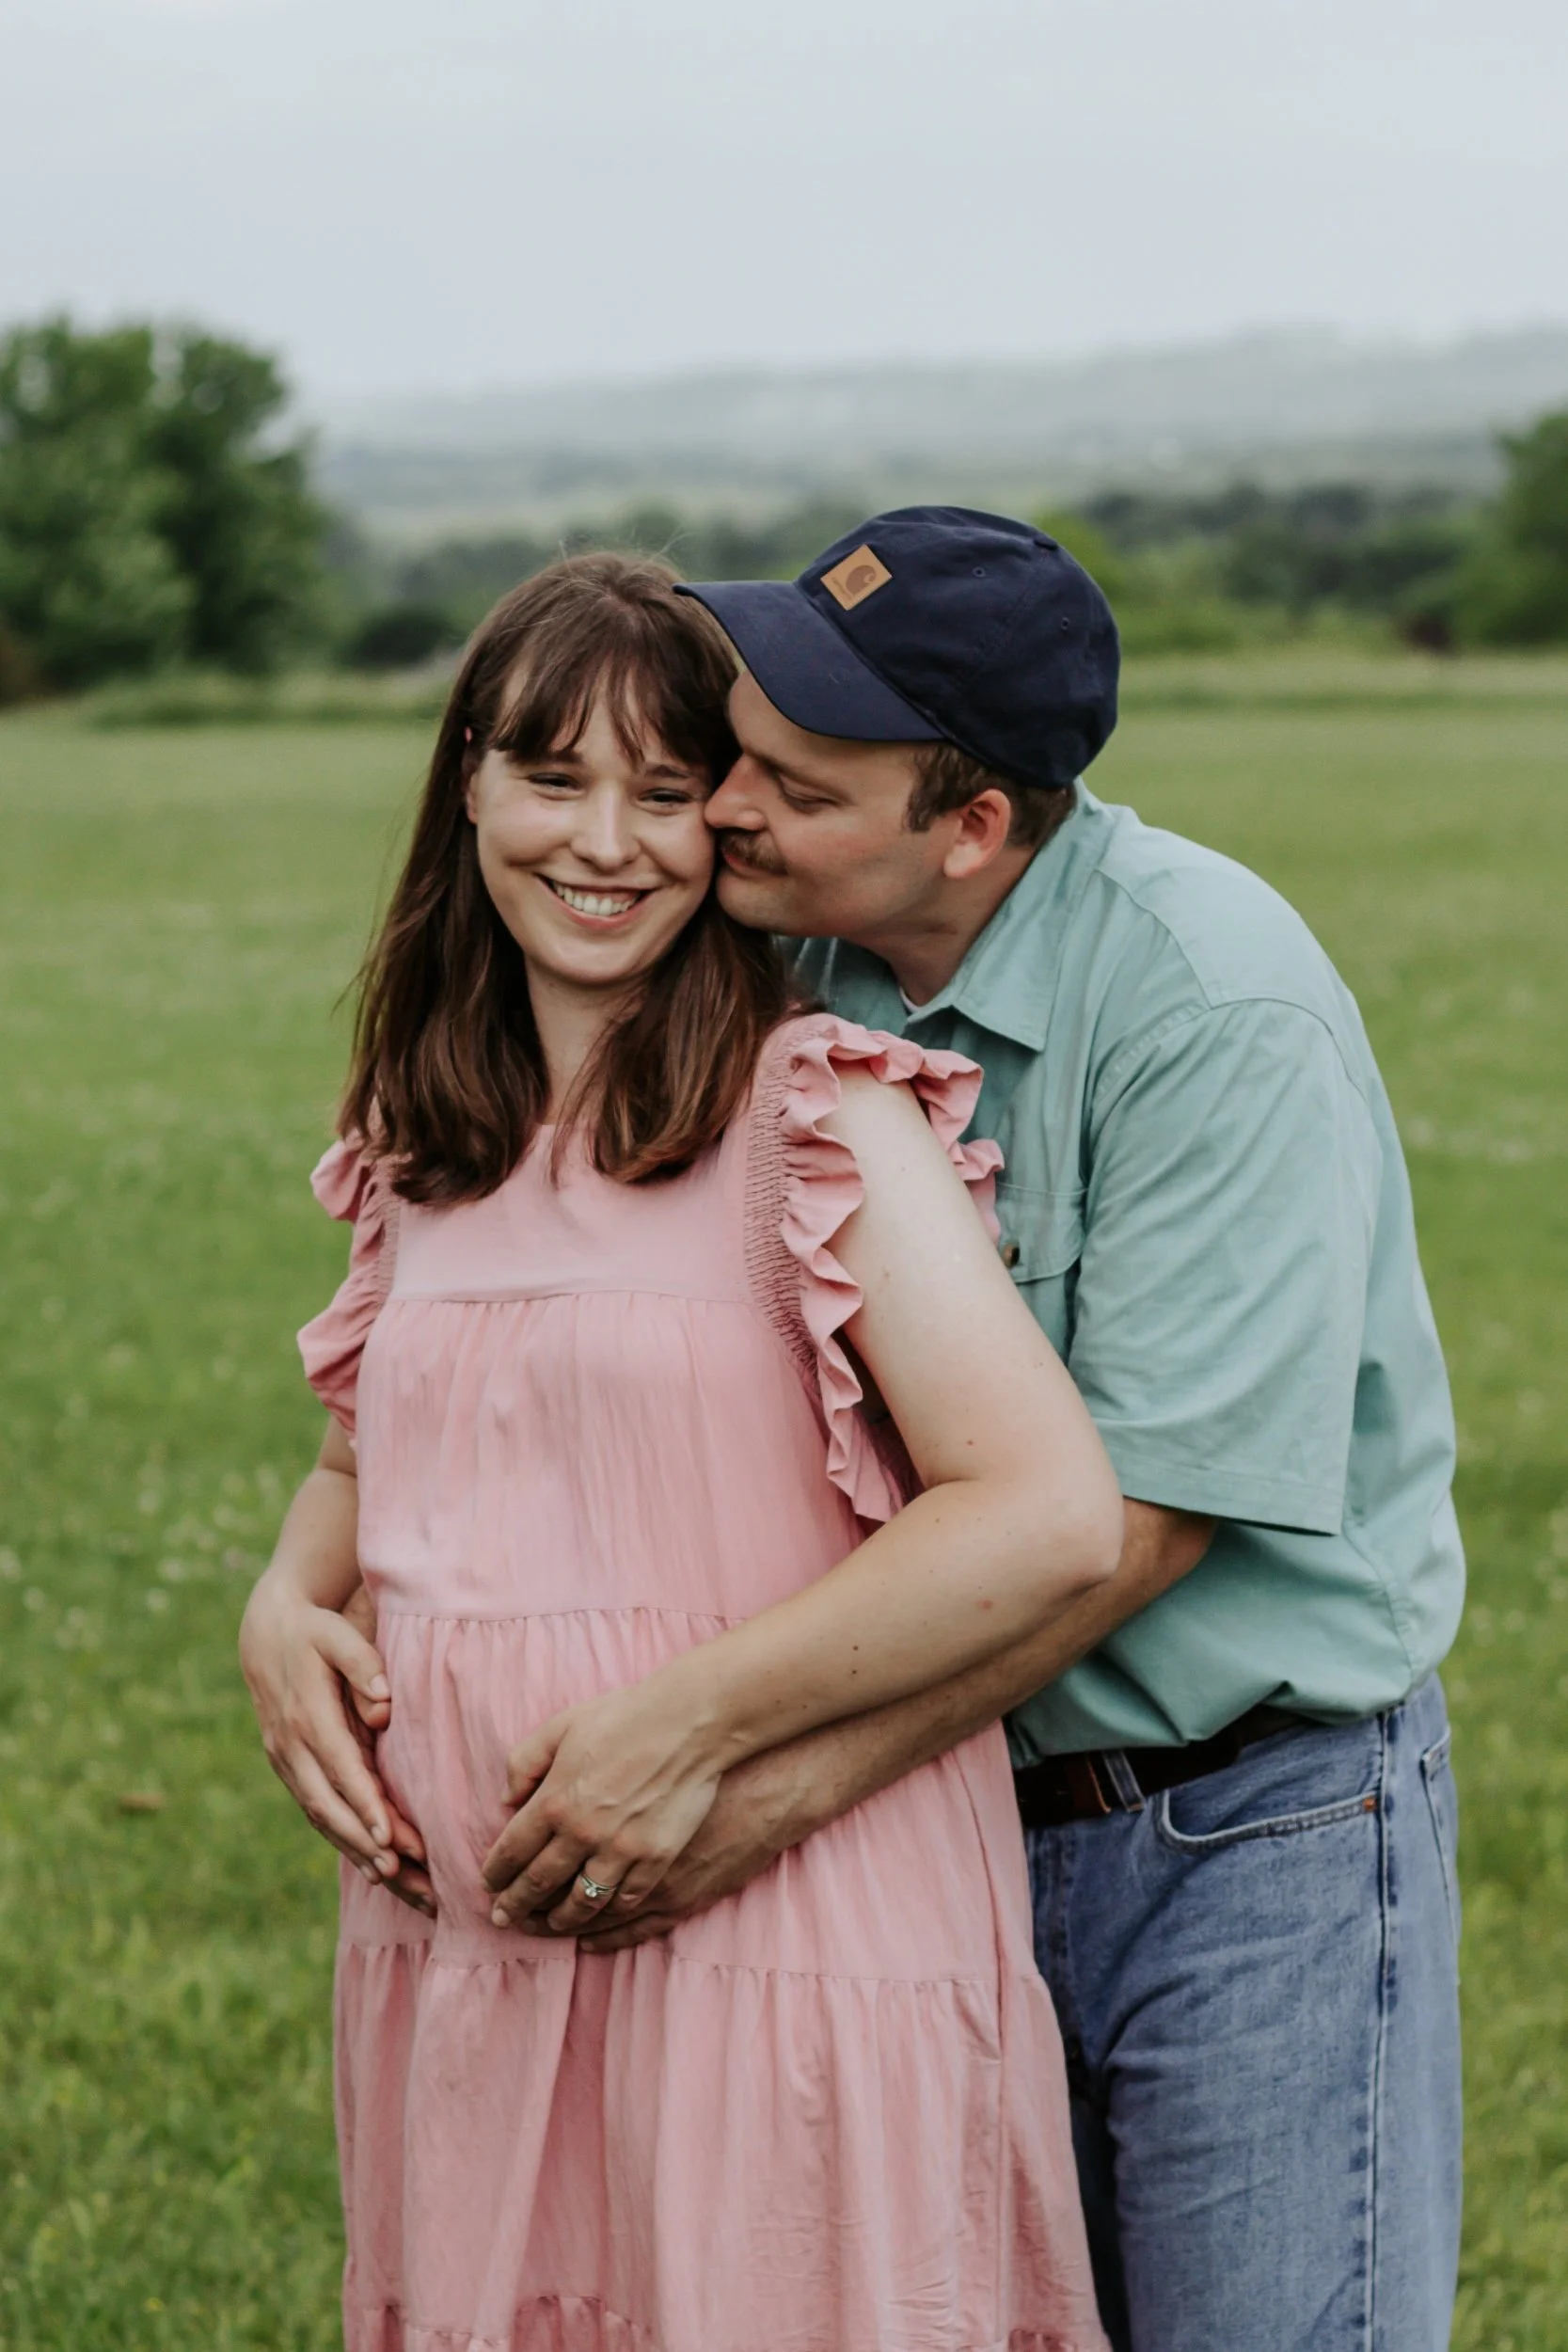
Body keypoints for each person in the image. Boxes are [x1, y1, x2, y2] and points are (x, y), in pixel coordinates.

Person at [563, 505, 1456, 2352]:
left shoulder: (1208, 1000)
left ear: (969, 825)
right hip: (931, 1817)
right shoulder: (775, 975)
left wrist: (747, 1778)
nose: (723, 805)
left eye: (791, 783)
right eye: (737, 747)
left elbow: (1125, 1528)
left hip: (1238, 1825)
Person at [240, 551, 1124, 2352]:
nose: (604, 841)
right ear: (465, 785)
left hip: (774, 1940)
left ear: (725, 817)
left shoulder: (814, 1123)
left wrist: (682, 1726)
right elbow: (370, 1452)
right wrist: (281, 1601)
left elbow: (1043, 1512)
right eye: (551, 777)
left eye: (662, 789)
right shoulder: (426, 1141)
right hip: (474, 1964)